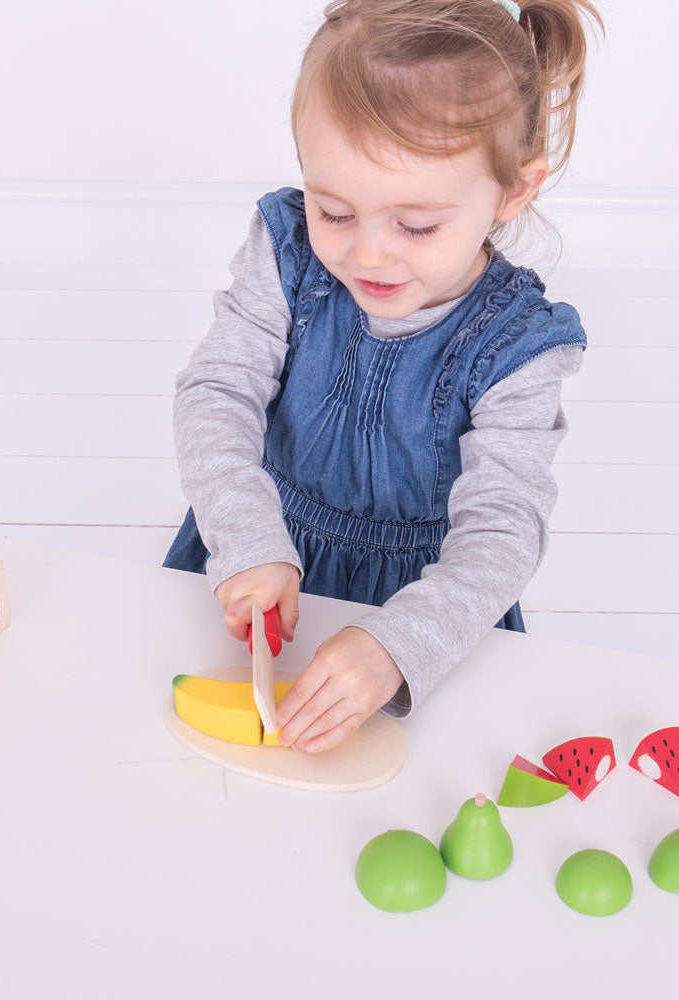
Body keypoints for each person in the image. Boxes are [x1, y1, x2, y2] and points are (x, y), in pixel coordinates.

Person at [164, 0, 603, 753]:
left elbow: (504, 530)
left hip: (429, 609)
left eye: (417, 226)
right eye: (333, 211)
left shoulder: (520, 347)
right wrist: (247, 534)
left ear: (511, 192)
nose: (368, 255)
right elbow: (217, 391)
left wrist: (398, 647)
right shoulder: (287, 252)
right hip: (264, 566)